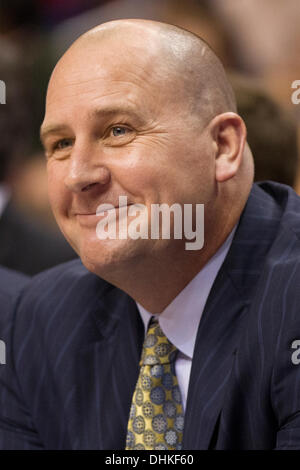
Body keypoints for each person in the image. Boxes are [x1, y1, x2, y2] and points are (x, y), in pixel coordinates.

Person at [0, 19, 300, 450]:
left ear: (223, 146)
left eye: (118, 131)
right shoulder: (42, 318)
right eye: (61, 144)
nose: (79, 175)